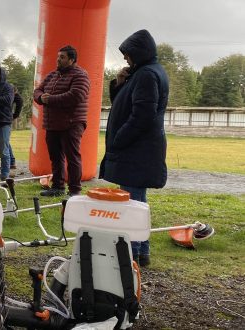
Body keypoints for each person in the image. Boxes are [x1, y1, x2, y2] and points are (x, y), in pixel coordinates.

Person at [99, 29, 169, 267]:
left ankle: (132, 256)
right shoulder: (144, 73)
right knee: (138, 203)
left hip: (137, 151)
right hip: (140, 150)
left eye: (128, 54)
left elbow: (142, 115)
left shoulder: (147, 75)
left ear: (139, 53)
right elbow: (128, 103)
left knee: (131, 206)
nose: (125, 59)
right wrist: (119, 84)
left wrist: (119, 138)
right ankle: (142, 253)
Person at [33, 45, 90, 197]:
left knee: (72, 157)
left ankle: (74, 190)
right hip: (52, 124)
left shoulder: (81, 75)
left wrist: (49, 99)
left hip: (72, 123)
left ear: (72, 60)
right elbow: (37, 90)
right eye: (58, 56)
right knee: (56, 157)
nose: (58, 59)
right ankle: (58, 187)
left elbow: (76, 95)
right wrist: (40, 97)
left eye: (62, 57)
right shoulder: (52, 75)